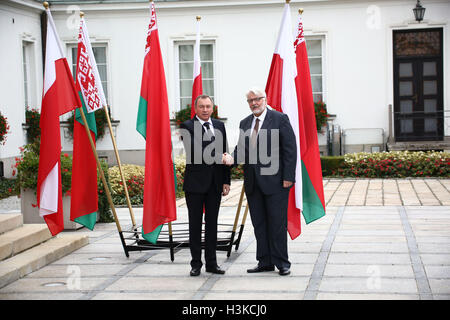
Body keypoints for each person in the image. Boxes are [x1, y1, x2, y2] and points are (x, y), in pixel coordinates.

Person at [223, 87, 297, 276]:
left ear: (265, 99)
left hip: (277, 183)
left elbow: (290, 149)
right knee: (260, 224)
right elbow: (242, 149)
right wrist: (232, 159)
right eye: (250, 100)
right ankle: (265, 261)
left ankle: (282, 262)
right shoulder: (245, 123)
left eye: (257, 99)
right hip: (253, 183)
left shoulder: (280, 119)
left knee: (277, 224)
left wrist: (288, 177)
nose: (254, 103)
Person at [180, 94, 231, 276]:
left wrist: (226, 180)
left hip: (215, 184)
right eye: (201, 106)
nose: (205, 110)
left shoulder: (219, 125)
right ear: (196, 108)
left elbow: (225, 151)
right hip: (195, 184)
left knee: (212, 224)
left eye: (208, 106)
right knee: (195, 225)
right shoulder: (187, 126)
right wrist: (221, 158)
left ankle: (212, 263)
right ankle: (196, 264)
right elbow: (196, 150)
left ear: (212, 107)